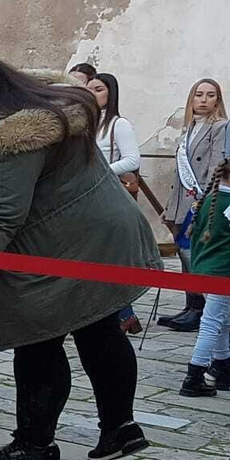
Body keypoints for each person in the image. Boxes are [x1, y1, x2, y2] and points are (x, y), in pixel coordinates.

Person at [0, 55, 161, 460]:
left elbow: (1, 217)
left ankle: (35, 442)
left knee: (38, 340)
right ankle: (120, 429)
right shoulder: (41, 109)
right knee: (99, 330)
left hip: (67, 246)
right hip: (97, 236)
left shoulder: (14, 139)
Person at [161, 79, 229, 332]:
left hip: (201, 200)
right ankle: (190, 304)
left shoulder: (220, 127)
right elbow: (179, 173)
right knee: (183, 252)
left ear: (217, 100)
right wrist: (170, 206)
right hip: (182, 201)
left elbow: (216, 166)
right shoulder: (188, 128)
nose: (203, 100)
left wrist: (206, 201)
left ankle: (201, 308)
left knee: (193, 252)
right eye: (198, 94)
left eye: (210, 95)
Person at [89, 72, 143, 334]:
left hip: (107, 194)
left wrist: (102, 173)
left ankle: (124, 313)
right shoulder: (87, 123)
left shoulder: (118, 124)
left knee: (107, 256)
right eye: (89, 89)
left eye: (98, 89)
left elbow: (133, 159)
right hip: (87, 195)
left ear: (110, 93)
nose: (92, 93)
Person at [180, 149, 230, 396]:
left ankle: (222, 366)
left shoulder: (207, 201)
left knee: (222, 320)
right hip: (222, 271)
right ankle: (195, 375)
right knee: (212, 322)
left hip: (203, 270)